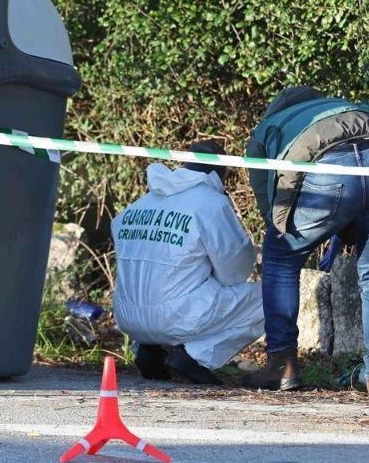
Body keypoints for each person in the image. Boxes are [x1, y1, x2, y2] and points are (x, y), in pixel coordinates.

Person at [242, 87, 369, 395]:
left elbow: (267, 201)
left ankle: (282, 367)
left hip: (327, 168)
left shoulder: (270, 126)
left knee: (281, 256)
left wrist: (285, 229)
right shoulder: (348, 105)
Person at [111, 140, 263, 384]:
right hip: (176, 318)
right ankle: (194, 357)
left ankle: (150, 350)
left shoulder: (137, 207)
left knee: (171, 282)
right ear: (220, 172)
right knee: (268, 299)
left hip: (128, 317)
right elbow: (234, 272)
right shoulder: (210, 204)